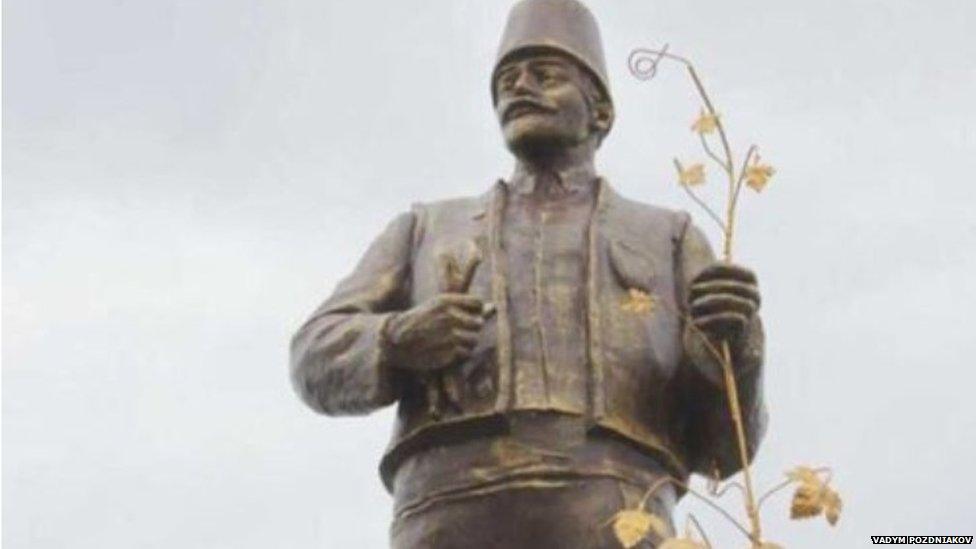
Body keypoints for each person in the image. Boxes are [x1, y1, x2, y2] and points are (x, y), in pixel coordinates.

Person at [290, 1, 767, 546]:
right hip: (448, 507)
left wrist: (735, 345)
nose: (520, 88)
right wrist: (398, 339)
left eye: (545, 75)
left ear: (600, 111)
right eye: (507, 81)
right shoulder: (427, 228)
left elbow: (724, 449)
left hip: (616, 507)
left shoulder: (669, 237)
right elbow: (313, 355)